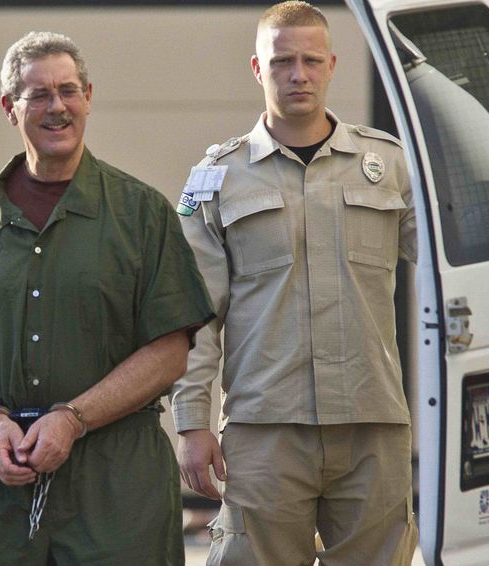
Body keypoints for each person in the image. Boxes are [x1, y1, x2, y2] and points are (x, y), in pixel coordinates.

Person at [0, 31, 214, 565]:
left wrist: (73, 418)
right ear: (9, 108)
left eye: (69, 91)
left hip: (118, 487)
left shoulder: (141, 213)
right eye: (39, 95)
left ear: (88, 97)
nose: (57, 107)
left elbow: (171, 350)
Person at [171, 2, 419, 564]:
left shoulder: (390, 165)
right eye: (282, 60)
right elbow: (195, 318)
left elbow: (452, 270)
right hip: (265, 429)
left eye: (310, 59)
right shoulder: (216, 180)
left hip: (372, 423)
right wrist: (191, 423)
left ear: (332, 64)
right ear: (258, 69)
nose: (298, 73)